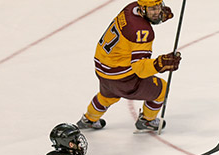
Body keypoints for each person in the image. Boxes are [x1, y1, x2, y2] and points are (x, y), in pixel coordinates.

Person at [77, 0, 182, 131]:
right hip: (121, 78)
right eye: (152, 9)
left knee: (107, 95)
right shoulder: (143, 31)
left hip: (102, 66)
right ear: (143, 9)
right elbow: (140, 69)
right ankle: (147, 121)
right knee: (162, 90)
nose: (157, 12)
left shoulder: (131, 7)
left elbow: (134, 26)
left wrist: (156, 17)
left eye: (158, 7)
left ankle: (89, 119)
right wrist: (159, 64)